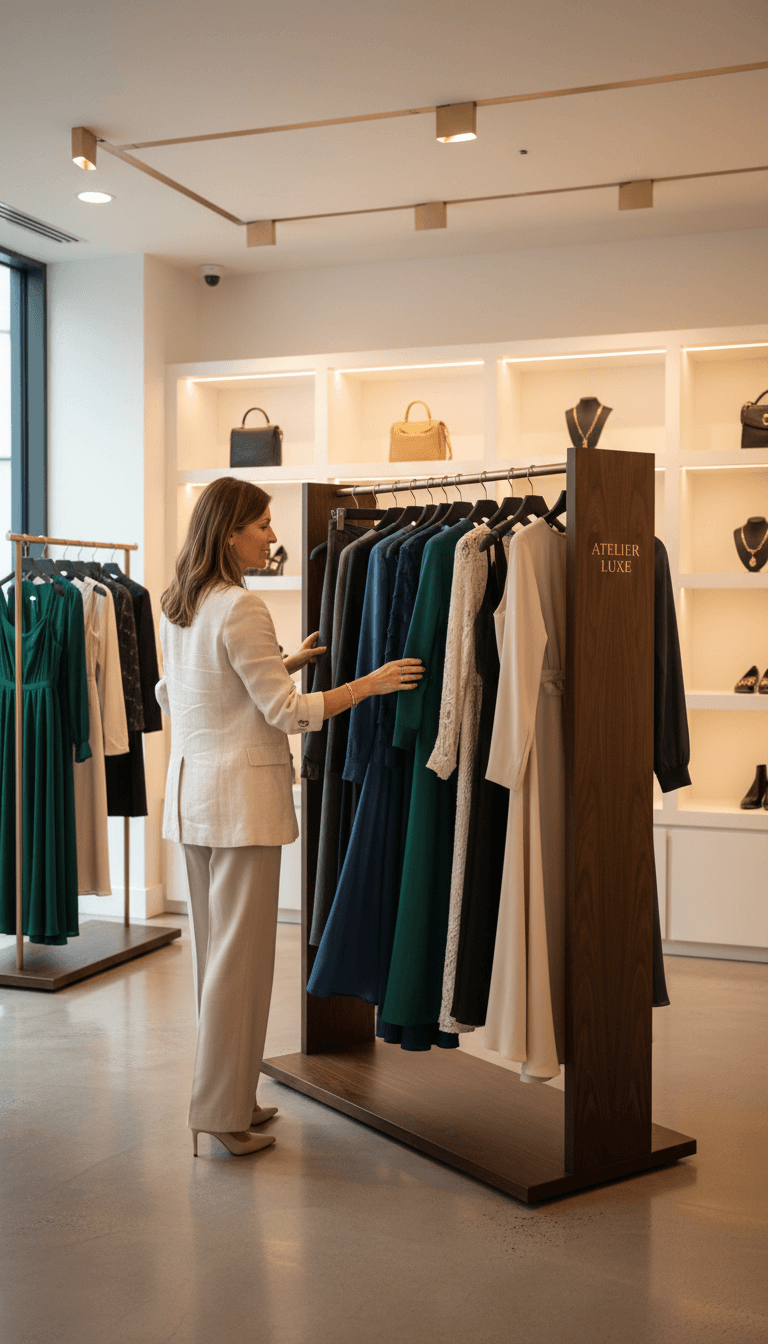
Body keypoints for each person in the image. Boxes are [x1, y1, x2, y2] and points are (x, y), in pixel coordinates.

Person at [156, 478, 423, 1158]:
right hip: (241, 807)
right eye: (263, 525)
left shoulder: (183, 603)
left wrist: (285, 662)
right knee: (237, 969)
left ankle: (230, 1098)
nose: (273, 537)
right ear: (230, 534)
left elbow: (184, 690)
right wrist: (370, 683)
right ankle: (218, 1116)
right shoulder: (243, 606)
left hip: (193, 800)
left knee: (217, 966)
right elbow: (288, 714)